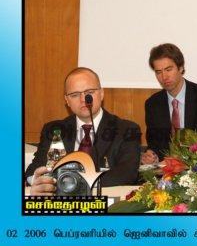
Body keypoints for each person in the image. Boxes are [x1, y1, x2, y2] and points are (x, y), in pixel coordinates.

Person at [25, 67, 141, 195]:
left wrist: (75, 184)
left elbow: (127, 174)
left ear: (101, 94)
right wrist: (38, 181)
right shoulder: (54, 129)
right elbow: (32, 171)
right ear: (67, 100)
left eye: (89, 92)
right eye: (74, 95)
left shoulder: (127, 129)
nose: (83, 99)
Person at [142, 43, 197, 164]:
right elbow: (155, 143)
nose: (164, 76)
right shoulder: (153, 104)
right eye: (158, 72)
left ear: (180, 68)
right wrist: (153, 156)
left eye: (168, 69)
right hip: (166, 169)